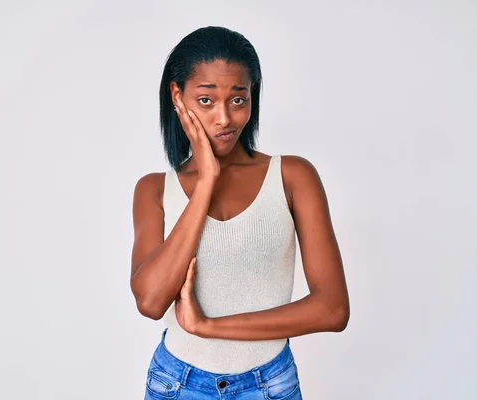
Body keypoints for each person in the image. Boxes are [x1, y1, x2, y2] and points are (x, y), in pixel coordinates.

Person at [130, 26, 349, 400]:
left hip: (270, 384)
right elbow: (150, 302)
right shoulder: (153, 189)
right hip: (177, 384)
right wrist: (205, 183)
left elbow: (332, 309)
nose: (224, 118)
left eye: (237, 99)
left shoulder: (293, 177)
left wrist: (210, 326)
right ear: (177, 96)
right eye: (205, 100)